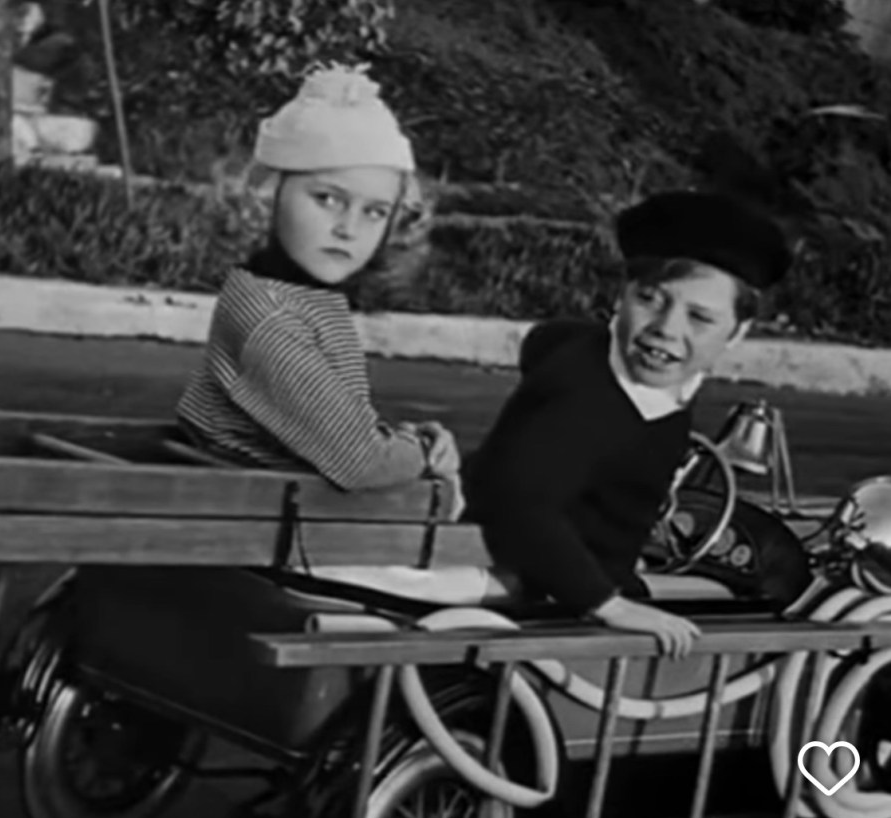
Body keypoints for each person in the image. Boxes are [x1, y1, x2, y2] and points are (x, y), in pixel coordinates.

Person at [463, 190, 794, 657]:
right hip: (533, 606)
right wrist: (608, 604)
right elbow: (519, 504)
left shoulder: (638, 377)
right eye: (649, 299)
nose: (667, 329)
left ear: (737, 333)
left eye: (700, 318)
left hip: (579, 582)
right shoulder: (585, 392)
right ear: (621, 296)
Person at [176, 64, 459, 492]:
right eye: (327, 199)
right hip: (256, 517)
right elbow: (362, 462)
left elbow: (339, 428)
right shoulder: (271, 319)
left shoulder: (292, 297)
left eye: (375, 212)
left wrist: (408, 441)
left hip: (277, 508)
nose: (348, 228)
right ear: (267, 193)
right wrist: (420, 451)